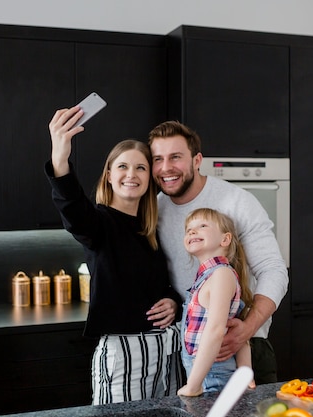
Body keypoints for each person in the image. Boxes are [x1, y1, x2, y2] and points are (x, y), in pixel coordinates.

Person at [45, 106, 183, 405]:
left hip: (167, 352)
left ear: (150, 179)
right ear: (108, 176)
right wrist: (60, 156)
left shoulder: (151, 229)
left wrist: (173, 300)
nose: (131, 174)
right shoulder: (99, 224)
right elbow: (72, 209)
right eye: (122, 167)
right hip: (124, 356)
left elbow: (160, 284)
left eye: (141, 168)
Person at [148, 121, 289, 385]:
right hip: (190, 350)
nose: (166, 168)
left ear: (197, 160)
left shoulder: (237, 201)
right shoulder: (155, 210)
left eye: (176, 157)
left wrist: (247, 328)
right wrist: (171, 300)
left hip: (242, 347)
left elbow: (274, 270)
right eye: (158, 159)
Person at [177, 208, 255, 396]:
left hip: (215, 379)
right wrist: (247, 373)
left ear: (225, 239)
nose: (192, 231)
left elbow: (216, 331)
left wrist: (193, 386)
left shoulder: (221, 274)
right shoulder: (206, 277)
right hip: (205, 377)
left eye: (202, 226)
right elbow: (236, 331)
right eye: (188, 229)